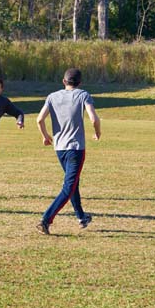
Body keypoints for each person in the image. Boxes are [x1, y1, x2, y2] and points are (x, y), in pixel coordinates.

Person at [35, 68, 101, 234]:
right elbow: (93, 118)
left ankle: (81, 216)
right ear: (80, 83)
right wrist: (97, 132)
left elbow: (39, 119)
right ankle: (45, 220)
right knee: (68, 187)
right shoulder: (83, 95)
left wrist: (45, 136)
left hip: (60, 148)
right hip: (76, 148)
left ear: (64, 81)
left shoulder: (52, 97)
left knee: (74, 183)